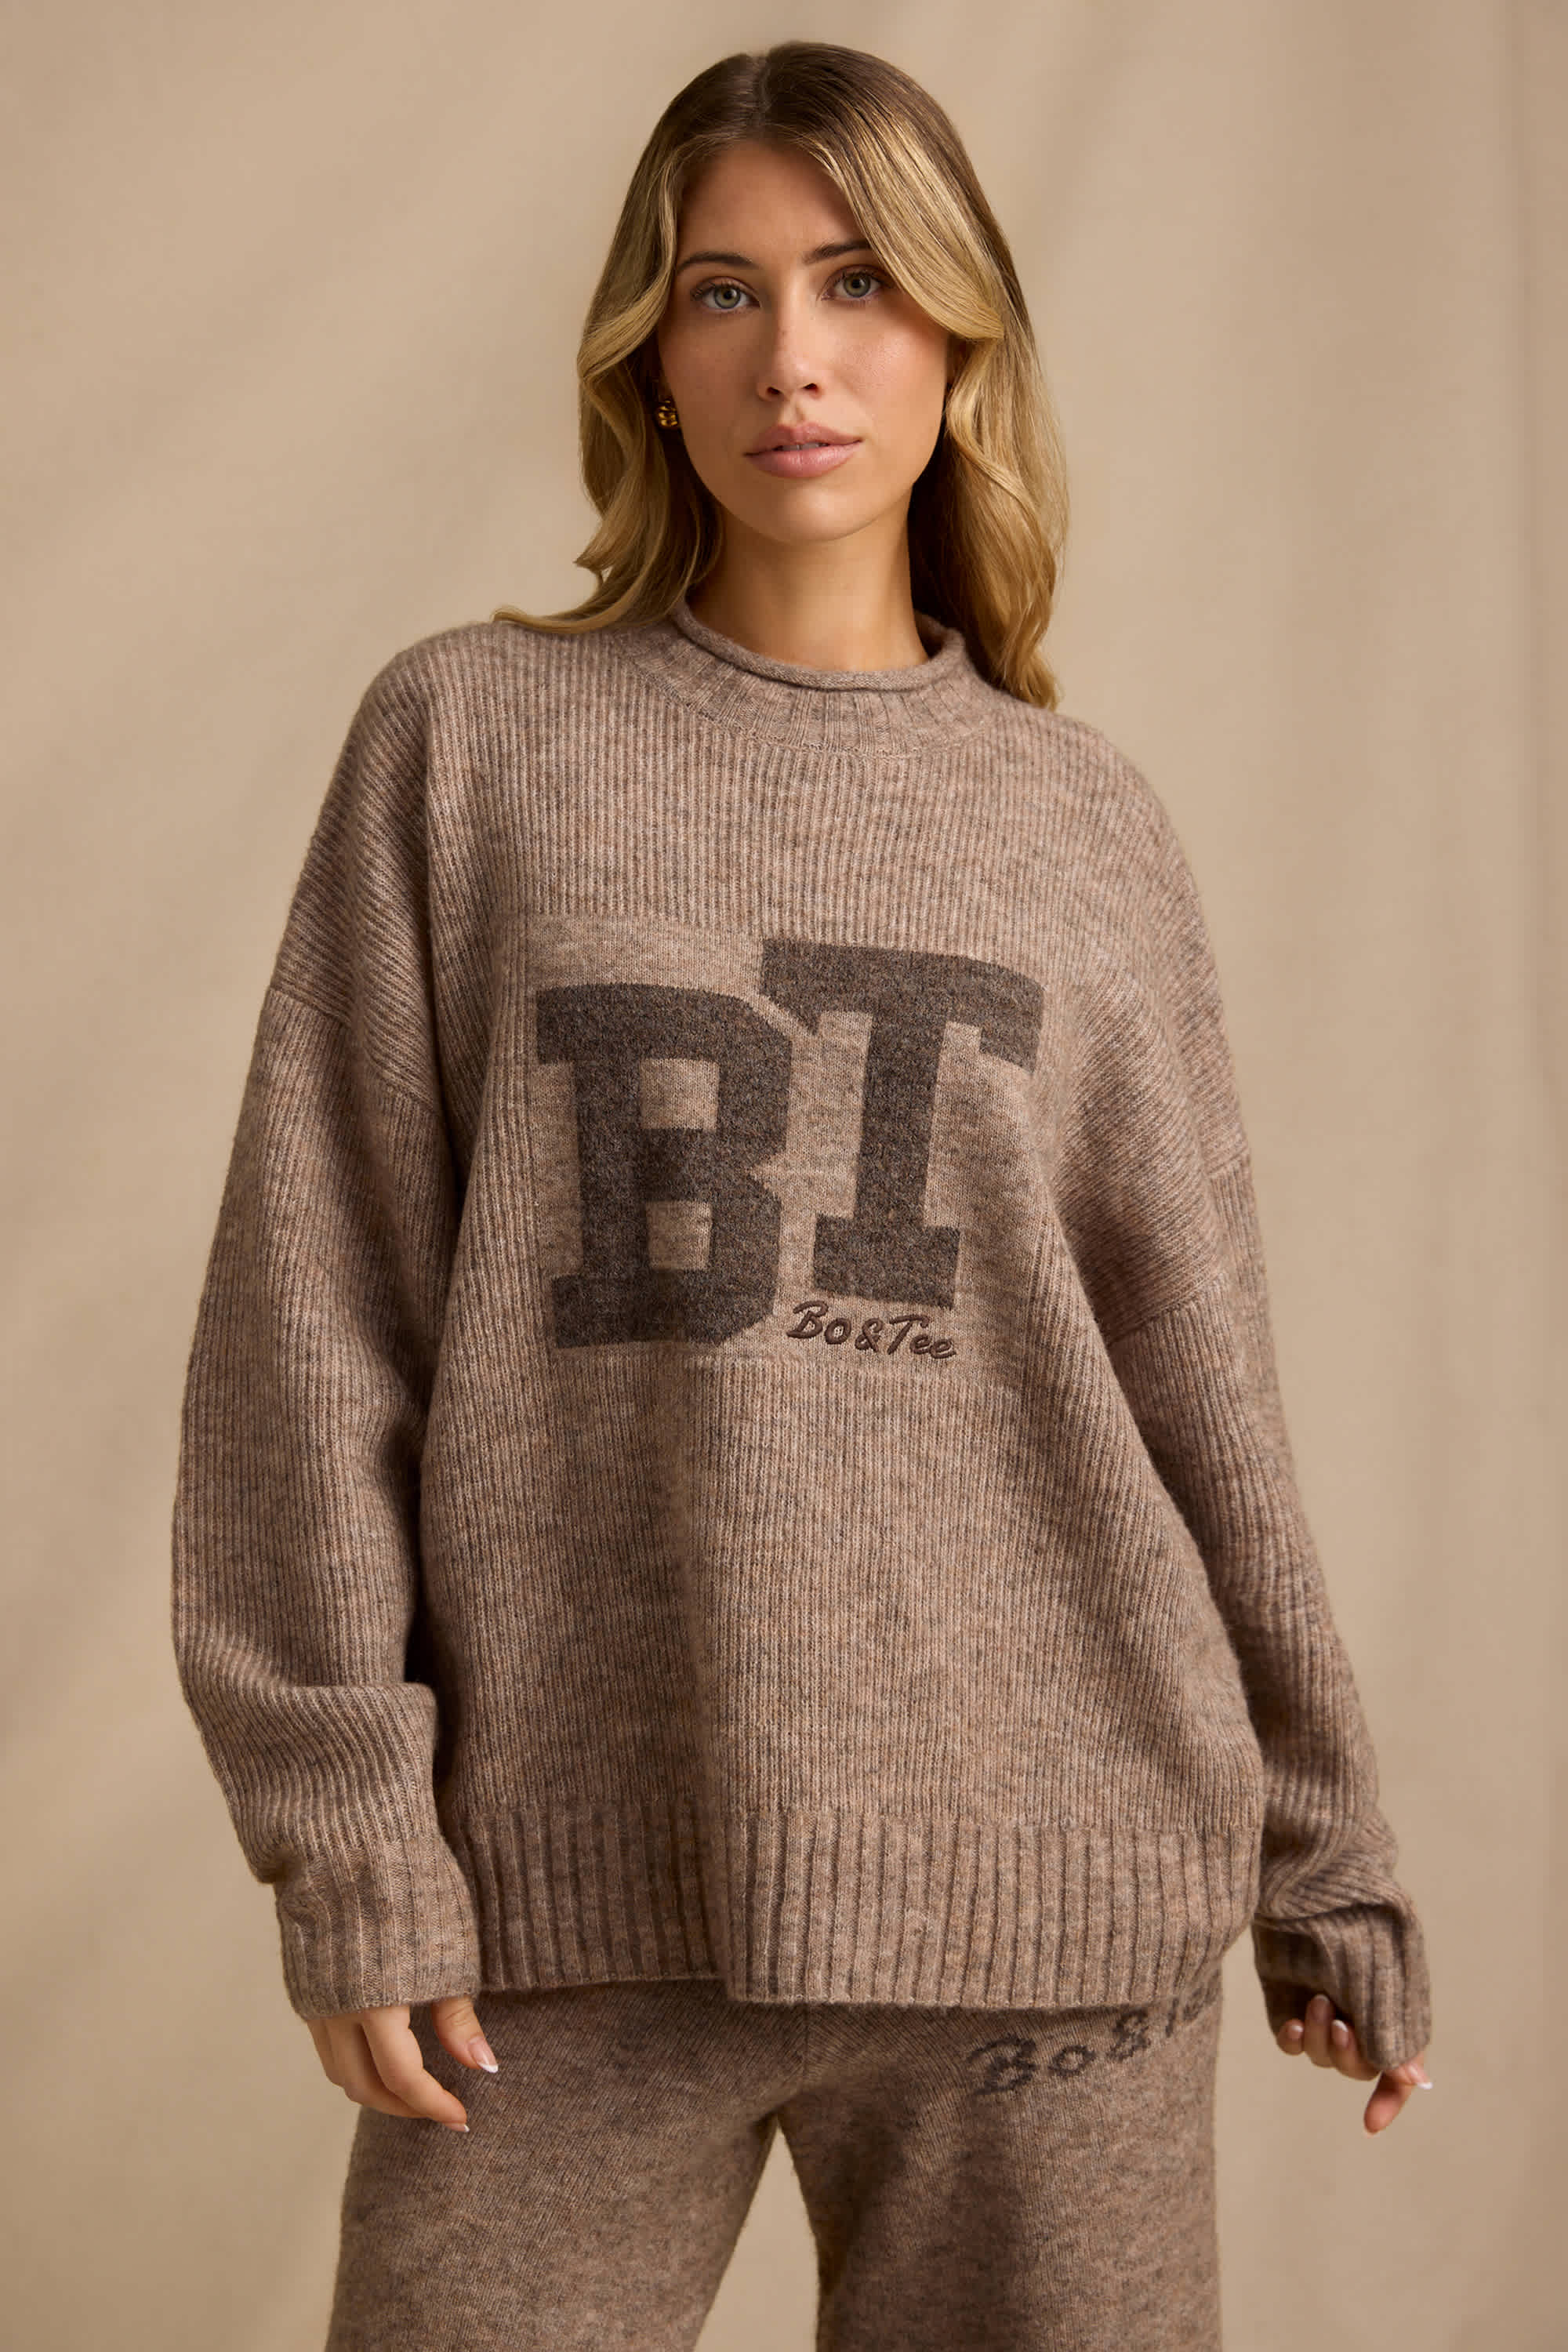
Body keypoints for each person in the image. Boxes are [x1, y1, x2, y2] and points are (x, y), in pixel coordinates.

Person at [170, 39, 1433, 2351]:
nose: (795, 357)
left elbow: (1198, 1386)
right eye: (724, 290)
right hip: (565, 1892)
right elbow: (312, 1320)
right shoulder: (468, 742)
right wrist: (350, 1837)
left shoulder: (1084, 823)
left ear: (960, 337)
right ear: (648, 356)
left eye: (859, 282)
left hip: (1055, 1894)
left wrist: (1324, 1847)